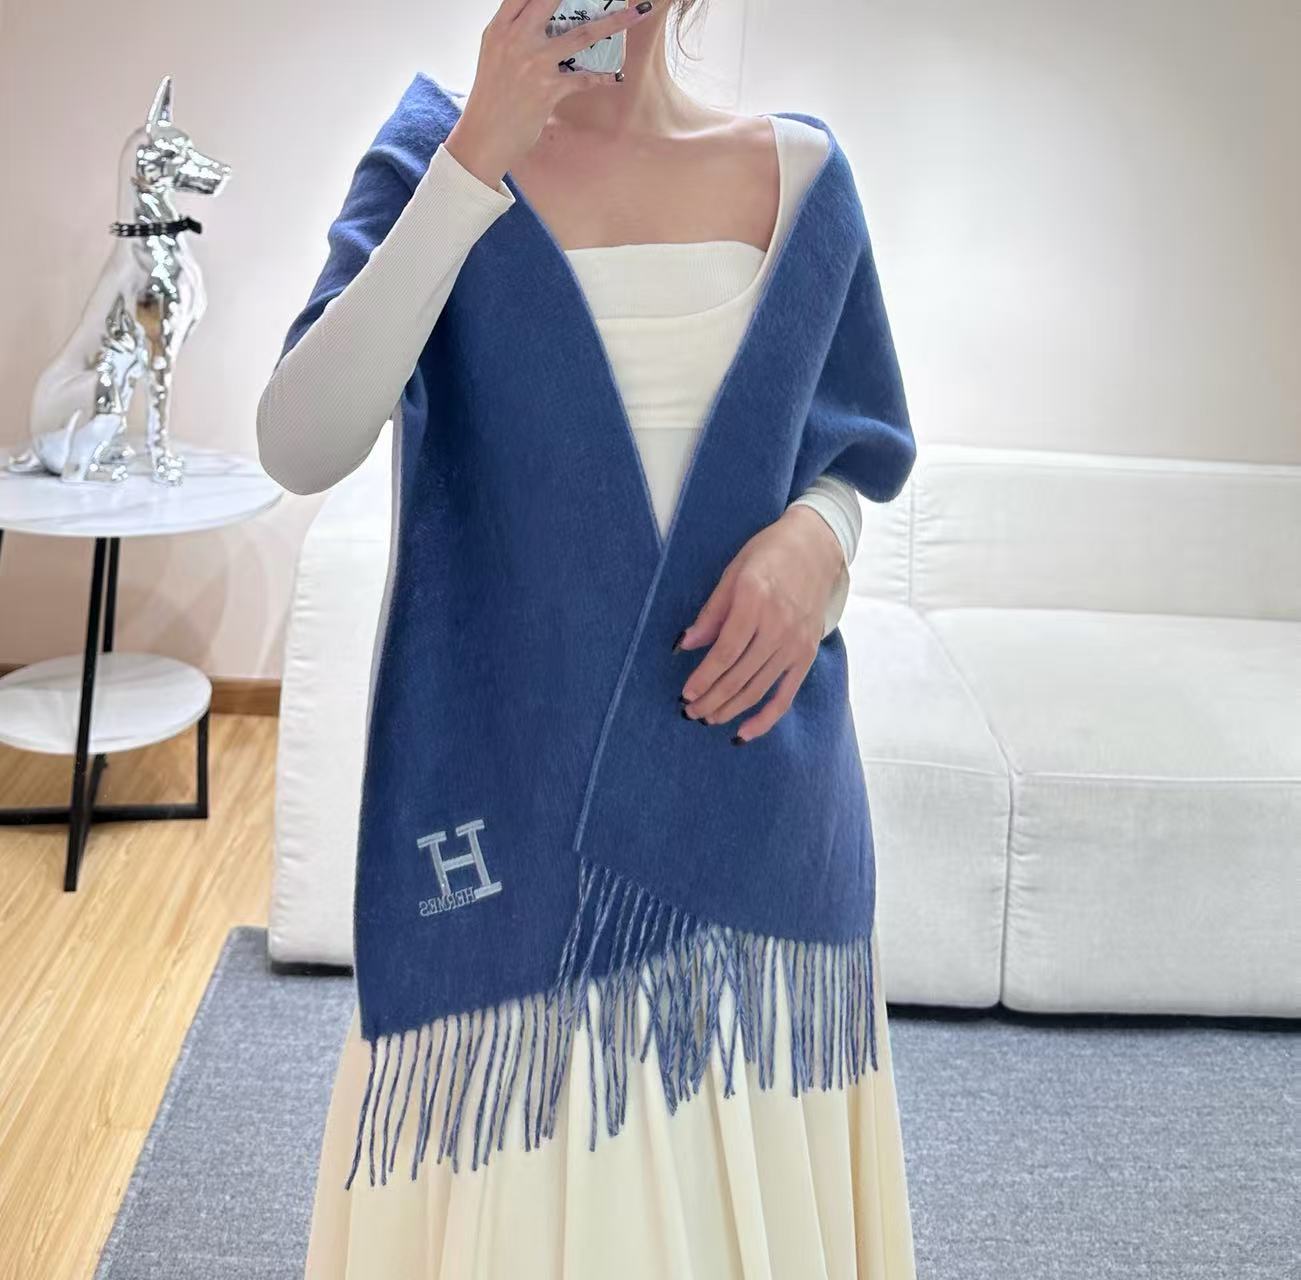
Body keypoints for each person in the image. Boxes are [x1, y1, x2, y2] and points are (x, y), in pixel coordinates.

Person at [258, 1, 917, 1275]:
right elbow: (300, 440)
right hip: (508, 822)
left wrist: (821, 540)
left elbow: (850, 455)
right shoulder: (433, 157)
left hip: (752, 812)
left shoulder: (801, 176)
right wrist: (473, 160)